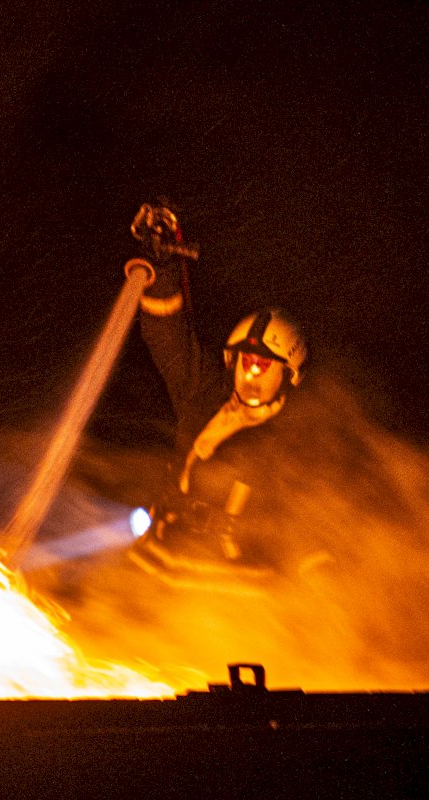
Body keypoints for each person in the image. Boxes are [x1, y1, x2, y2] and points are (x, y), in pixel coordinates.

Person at [127, 203, 307, 586]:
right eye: (246, 360)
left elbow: (313, 528)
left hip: (233, 596)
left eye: (263, 364)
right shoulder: (204, 394)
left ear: (289, 375)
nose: (251, 372)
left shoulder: (293, 443)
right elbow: (166, 336)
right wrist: (161, 268)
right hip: (160, 569)